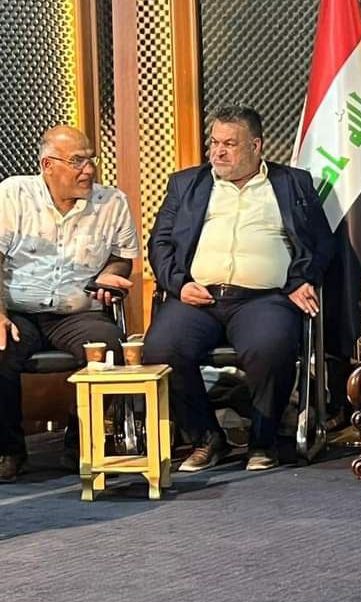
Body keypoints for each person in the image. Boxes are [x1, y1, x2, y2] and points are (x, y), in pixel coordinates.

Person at [142, 106, 333, 473]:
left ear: (255, 146)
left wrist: (300, 280)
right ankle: (205, 437)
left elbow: (321, 243)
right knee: (161, 349)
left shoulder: (293, 184)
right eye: (214, 143)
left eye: (229, 144)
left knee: (271, 347)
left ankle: (263, 442)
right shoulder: (186, 184)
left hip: (264, 299)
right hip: (198, 297)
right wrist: (180, 284)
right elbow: (160, 243)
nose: (218, 152)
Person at [0, 126, 138, 483]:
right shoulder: (13, 195)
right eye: (77, 161)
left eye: (91, 159)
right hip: (18, 309)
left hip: (77, 312)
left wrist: (110, 274)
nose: (88, 170)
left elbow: (122, 258)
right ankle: (8, 450)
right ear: (48, 165)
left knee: (108, 350)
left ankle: (82, 445)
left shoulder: (112, 202)